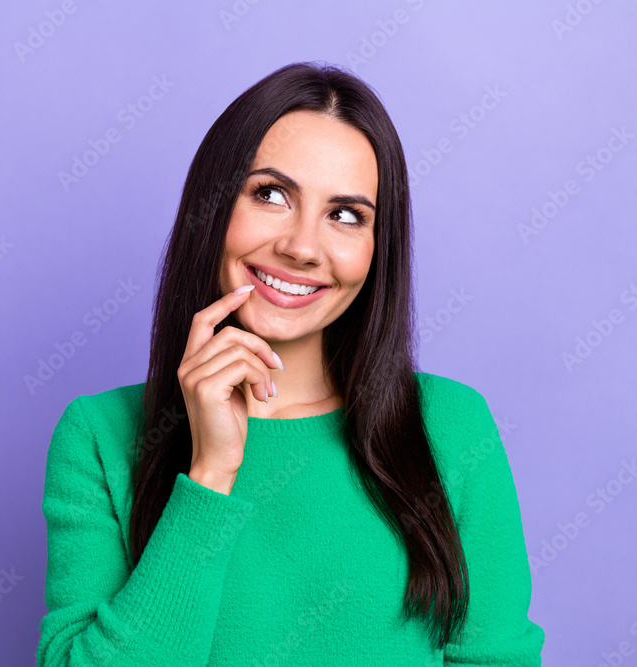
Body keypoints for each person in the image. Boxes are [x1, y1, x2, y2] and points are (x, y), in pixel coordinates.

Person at [37, 61, 545, 665]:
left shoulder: (452, 425)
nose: (302, 247)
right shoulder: (99, 435)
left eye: (346, 215)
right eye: (270, 195)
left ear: (377, 251)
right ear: (214, 205)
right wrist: (210, 475)